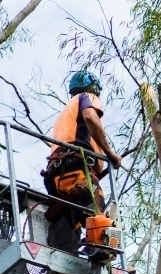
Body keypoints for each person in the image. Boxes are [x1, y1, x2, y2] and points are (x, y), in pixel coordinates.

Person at [42, 70, 122, 254]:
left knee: (66, 242)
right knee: (97, 213)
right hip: (75, 172)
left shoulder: (65, 115)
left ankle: (61, 271)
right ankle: (103, 252)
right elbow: (91, 118)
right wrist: (110, 153)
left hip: (56, 178)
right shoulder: (86, 97)